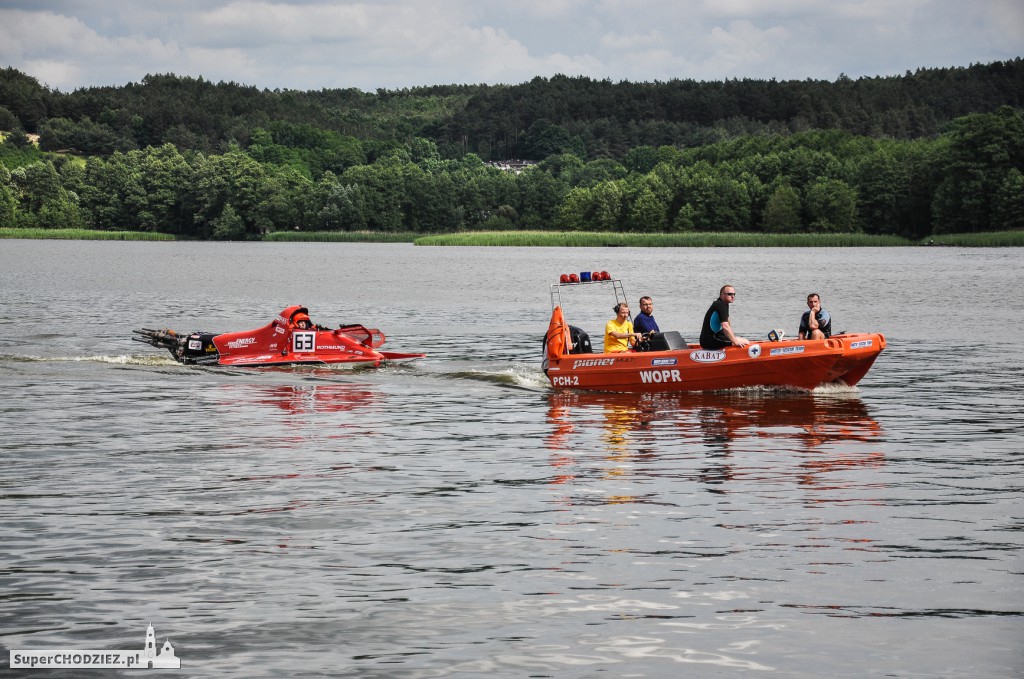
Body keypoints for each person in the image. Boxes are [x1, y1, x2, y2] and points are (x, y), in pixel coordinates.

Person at [700, 285, 749, 349]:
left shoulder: (724, 304)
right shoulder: (720, 305)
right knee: (746, 342)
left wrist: (732, 338)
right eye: (730, 294)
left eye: (734, 294)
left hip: (714, 338)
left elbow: (727, 324)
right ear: (722, 295)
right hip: (710, 340)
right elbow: (725, 326)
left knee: (740, 340)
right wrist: (735, 342)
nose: (733, 296)